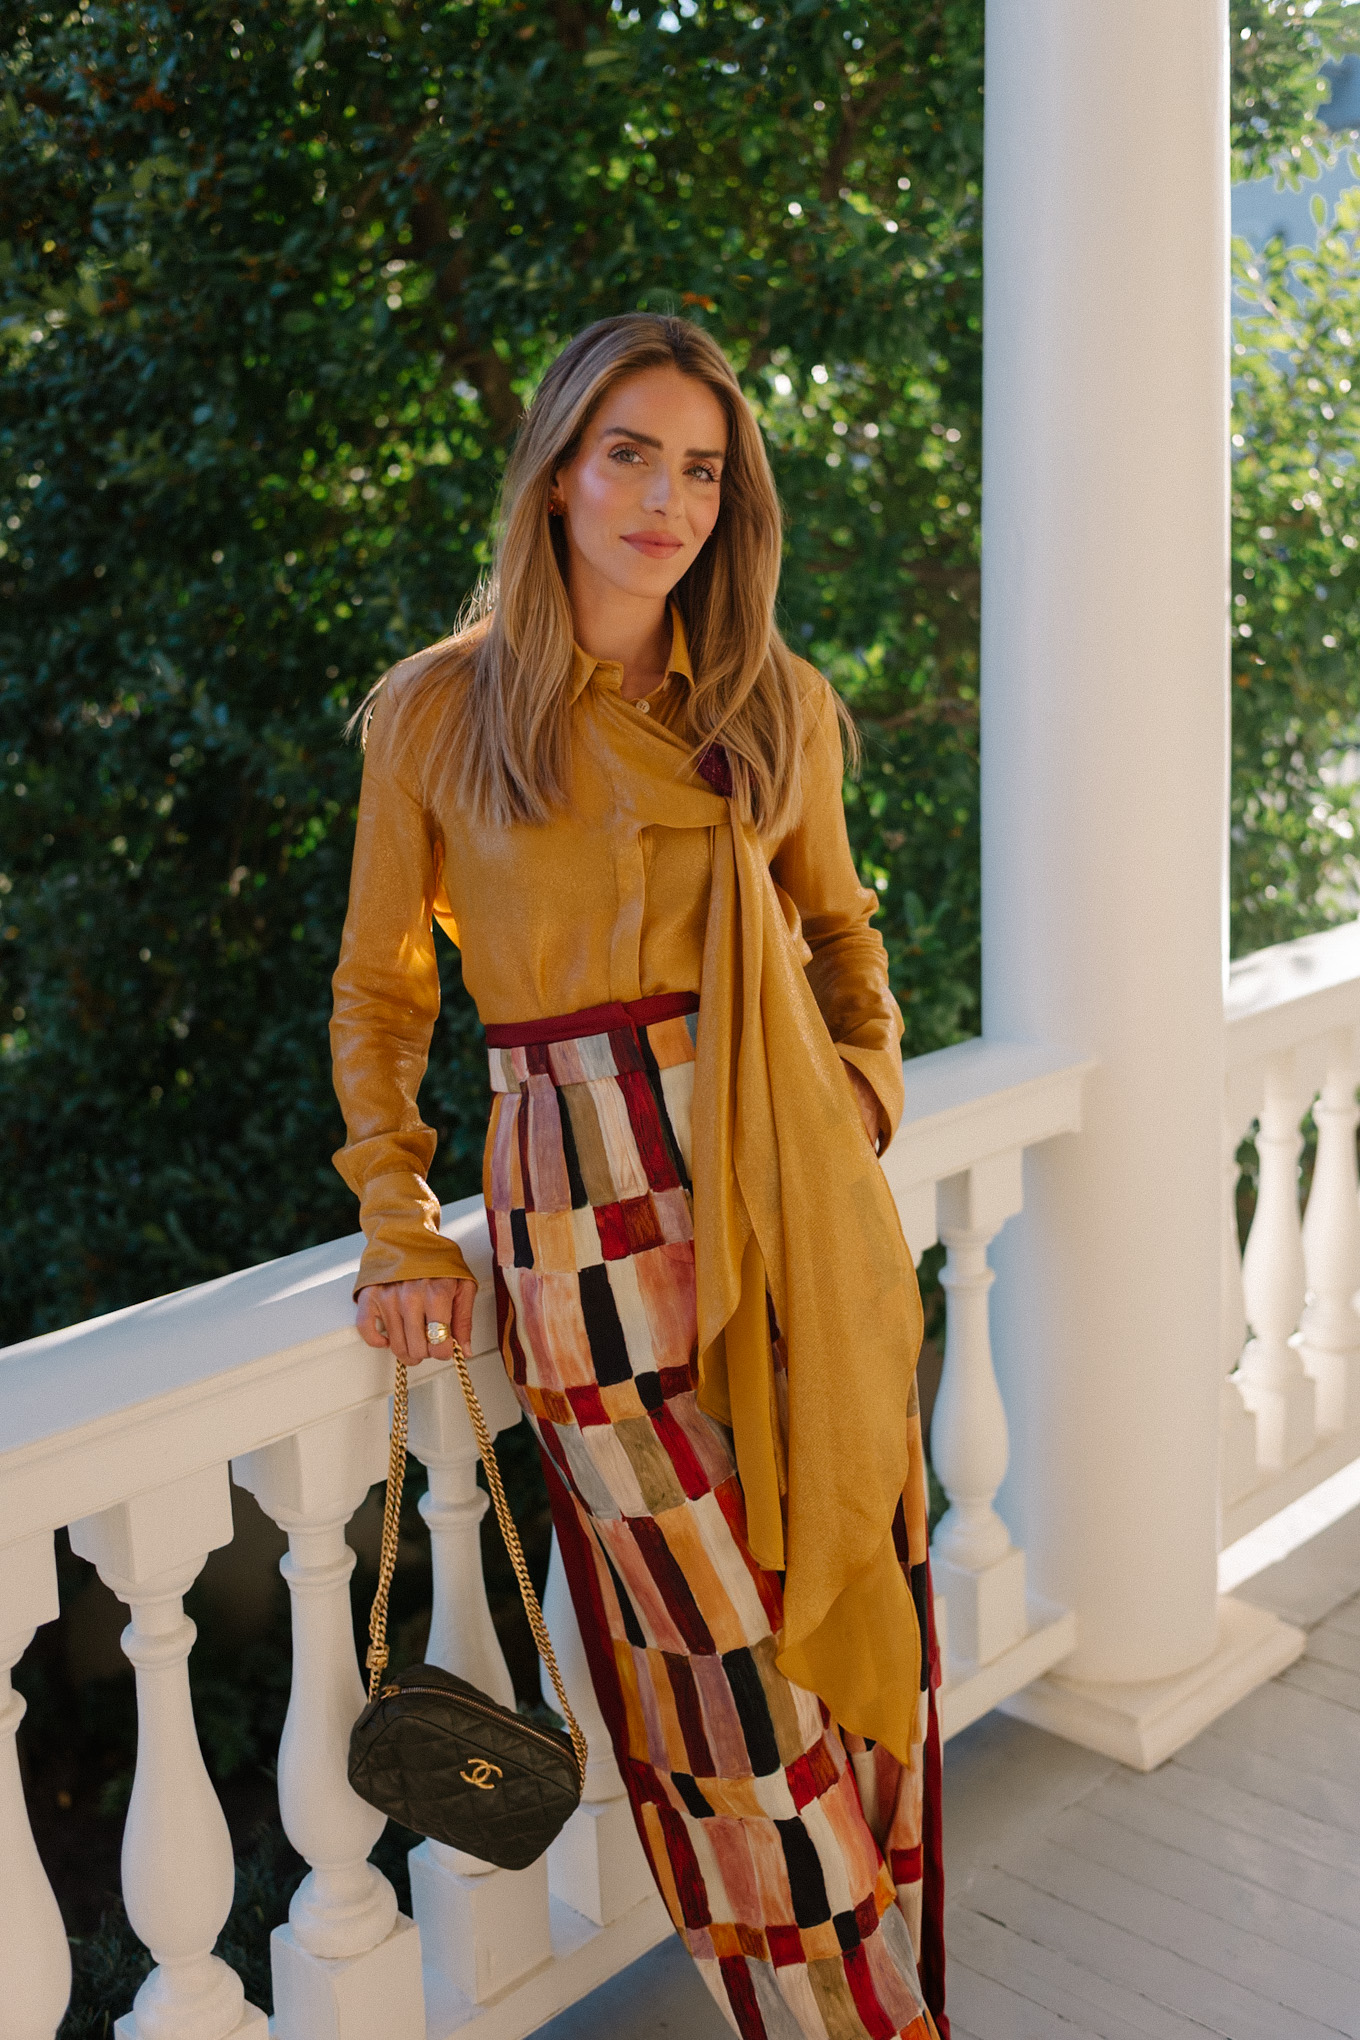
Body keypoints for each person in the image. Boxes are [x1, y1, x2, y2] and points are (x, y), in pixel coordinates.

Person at [330, 312, 947, 2040]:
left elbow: (843, 934)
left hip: (797, 1210)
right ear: (555, 472)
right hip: (579, 1217)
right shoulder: (438, 713)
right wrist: (399, 1216)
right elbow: (383, 994)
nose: (668, 500)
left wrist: (862, 1090)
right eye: (630, 456)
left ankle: (882, 1990)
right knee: (721, 1671)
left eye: (701, 470)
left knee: (848, 1599)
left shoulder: (773, 703)